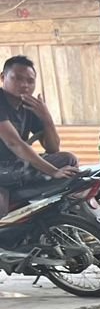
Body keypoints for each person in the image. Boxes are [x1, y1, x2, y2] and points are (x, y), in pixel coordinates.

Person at [0, 55, 78, 215]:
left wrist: (46, 118)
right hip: (4, 169)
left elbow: (52, 148)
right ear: (2, 77)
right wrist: (53, 172)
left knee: (67, 159)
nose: (24, 85)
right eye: (17, 79)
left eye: (30, 81)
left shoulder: (29, 105)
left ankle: (61, 216)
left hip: (15, 166)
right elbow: (14, 143)